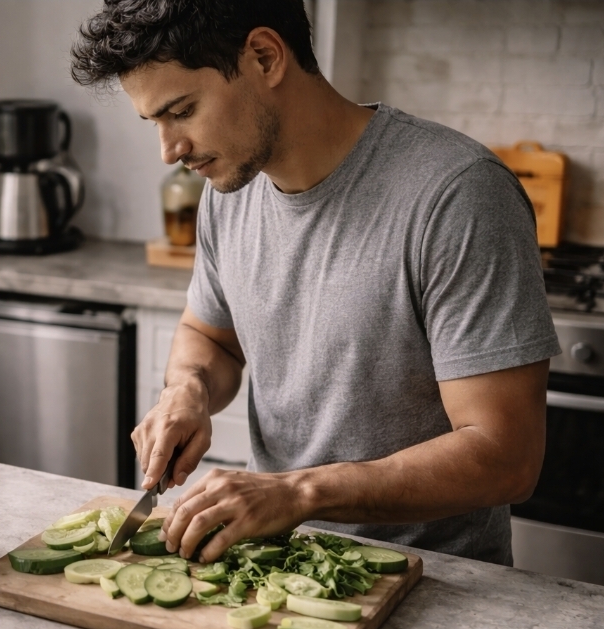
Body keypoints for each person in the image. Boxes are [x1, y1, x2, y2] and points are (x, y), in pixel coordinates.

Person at [70, 0, 560, 565]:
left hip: (435, 585)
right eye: (155, 121)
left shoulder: (458, 196)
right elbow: (211, 337)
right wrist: (189, 390)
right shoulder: (230, 190)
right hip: (271, 566)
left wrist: (299, 492)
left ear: (264, 56)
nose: (169, 150)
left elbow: (506, 457)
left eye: (181, 111)